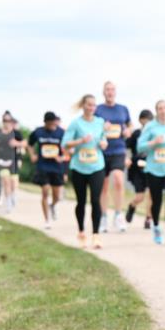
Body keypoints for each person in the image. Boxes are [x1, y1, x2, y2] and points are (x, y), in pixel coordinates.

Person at [61, 95, 108, 249]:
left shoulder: (100, 122)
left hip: (97, 166)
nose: (91, 108)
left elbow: (103, 139)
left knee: (95, 200)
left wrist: (104, 143)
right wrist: (80, 141)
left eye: (94, 105)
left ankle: (96, 235)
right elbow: (65, 144)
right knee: (81, 201)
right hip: (79, 167)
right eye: (89, 105)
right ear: (83, 106)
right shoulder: (76, 123)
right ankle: (81, 232)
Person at [137, 100, 165, 245]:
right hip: (154, 169)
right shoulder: (150, 127)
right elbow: (140, 147)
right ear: (156, 111)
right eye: (160, 108)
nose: (163, 111)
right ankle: (156, 227)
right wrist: (153, 142)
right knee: (156, 201)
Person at [94, 81, 131, 233]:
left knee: (118, 180)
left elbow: (129, 125)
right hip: (102, 151)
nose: (110, 92)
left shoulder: (123, 109)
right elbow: (92, 127)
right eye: (107, 89)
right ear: (103, 92)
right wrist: (101, 128)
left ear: (115, 92)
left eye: (112, 89)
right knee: (103, 186)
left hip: (118, 150)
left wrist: (128, 131)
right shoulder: (98, 110)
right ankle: (103, 217)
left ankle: (118, 215)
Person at [28, 112, 66, 229]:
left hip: (56, 167)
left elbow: (68, 149)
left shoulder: (61, 133)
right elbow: (29, 144)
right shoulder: (38, 132)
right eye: (50, 124)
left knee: (57, 196)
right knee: (45, 190)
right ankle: (47, 220)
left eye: (54, 123)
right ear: (45, 123)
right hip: (43, 166)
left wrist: (62, 158)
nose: (52, 126)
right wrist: (32, 155)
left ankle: (53, 205)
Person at [125, 109, 153, 229]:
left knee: (151, 194)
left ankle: (148, 219)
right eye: (145, 121)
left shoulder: (154, 134)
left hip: (151, 167)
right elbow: (125, 145)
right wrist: (126, 158)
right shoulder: (136, 134)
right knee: (140, 197)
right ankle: (132, 206)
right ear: (140, 121)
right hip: (137, 169)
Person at [0, 116, 25, 212]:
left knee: (13, 183)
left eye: (8, 121)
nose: (7, 123)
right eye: (5, 121)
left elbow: (25, 143)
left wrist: (17, 144)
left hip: (13, 161)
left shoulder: (16, 133)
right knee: (6, 182)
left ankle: (13, 196)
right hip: (1, 161)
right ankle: (8, 204)